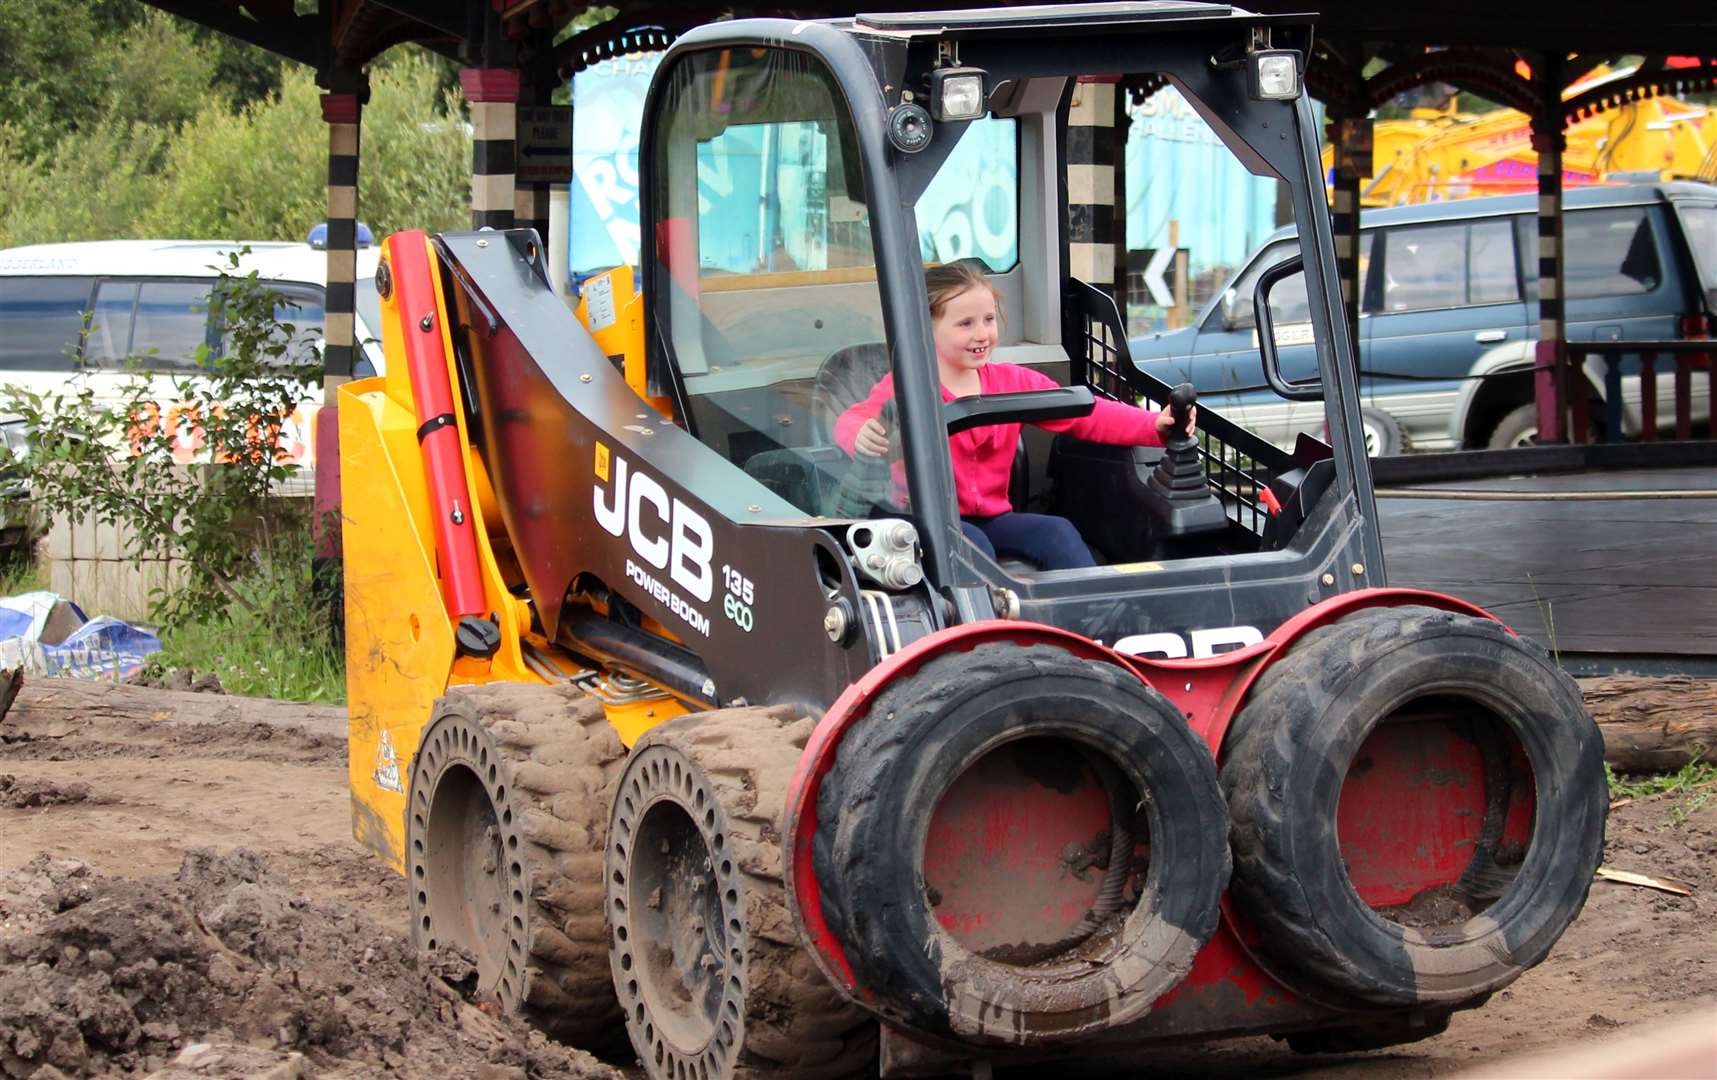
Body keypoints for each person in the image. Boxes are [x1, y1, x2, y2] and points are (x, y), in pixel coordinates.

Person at [835, 262, 1194, 570]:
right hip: (924, 519)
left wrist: (1154, 427)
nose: (982, 334)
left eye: (989, 320)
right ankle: (993, 638)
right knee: (972, 545)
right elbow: (852, 420)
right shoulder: (905, 386)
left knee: (1057, 533)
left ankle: (1089, 630)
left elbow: (1085, 413)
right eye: (965, 324)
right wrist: (861, 434)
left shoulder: (1013, 381)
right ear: (925, 329)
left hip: (994, 518)